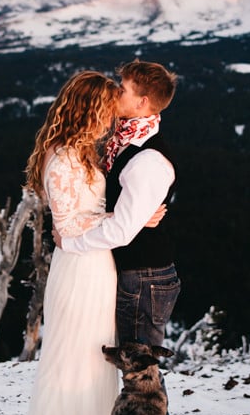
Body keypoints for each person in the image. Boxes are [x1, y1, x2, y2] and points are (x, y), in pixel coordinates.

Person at [11, 71, 122, 415]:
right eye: (107, 110)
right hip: (78, 267)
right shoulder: (60, 158)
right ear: (90, 110)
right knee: (75, 356)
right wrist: (127, 220)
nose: (111, 119)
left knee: (96, 358)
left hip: (98, 263)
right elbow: (68, 224)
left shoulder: (85, 153)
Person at [58, 59, 180, 348]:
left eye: (122, 89)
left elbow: (122, 231)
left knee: (138, 367)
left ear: (142, 102)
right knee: (131, 362)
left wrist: (69, 243)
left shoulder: (147, 159)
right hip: (134, 272)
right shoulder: (123, 140)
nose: (114, 92)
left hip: (144, 276)